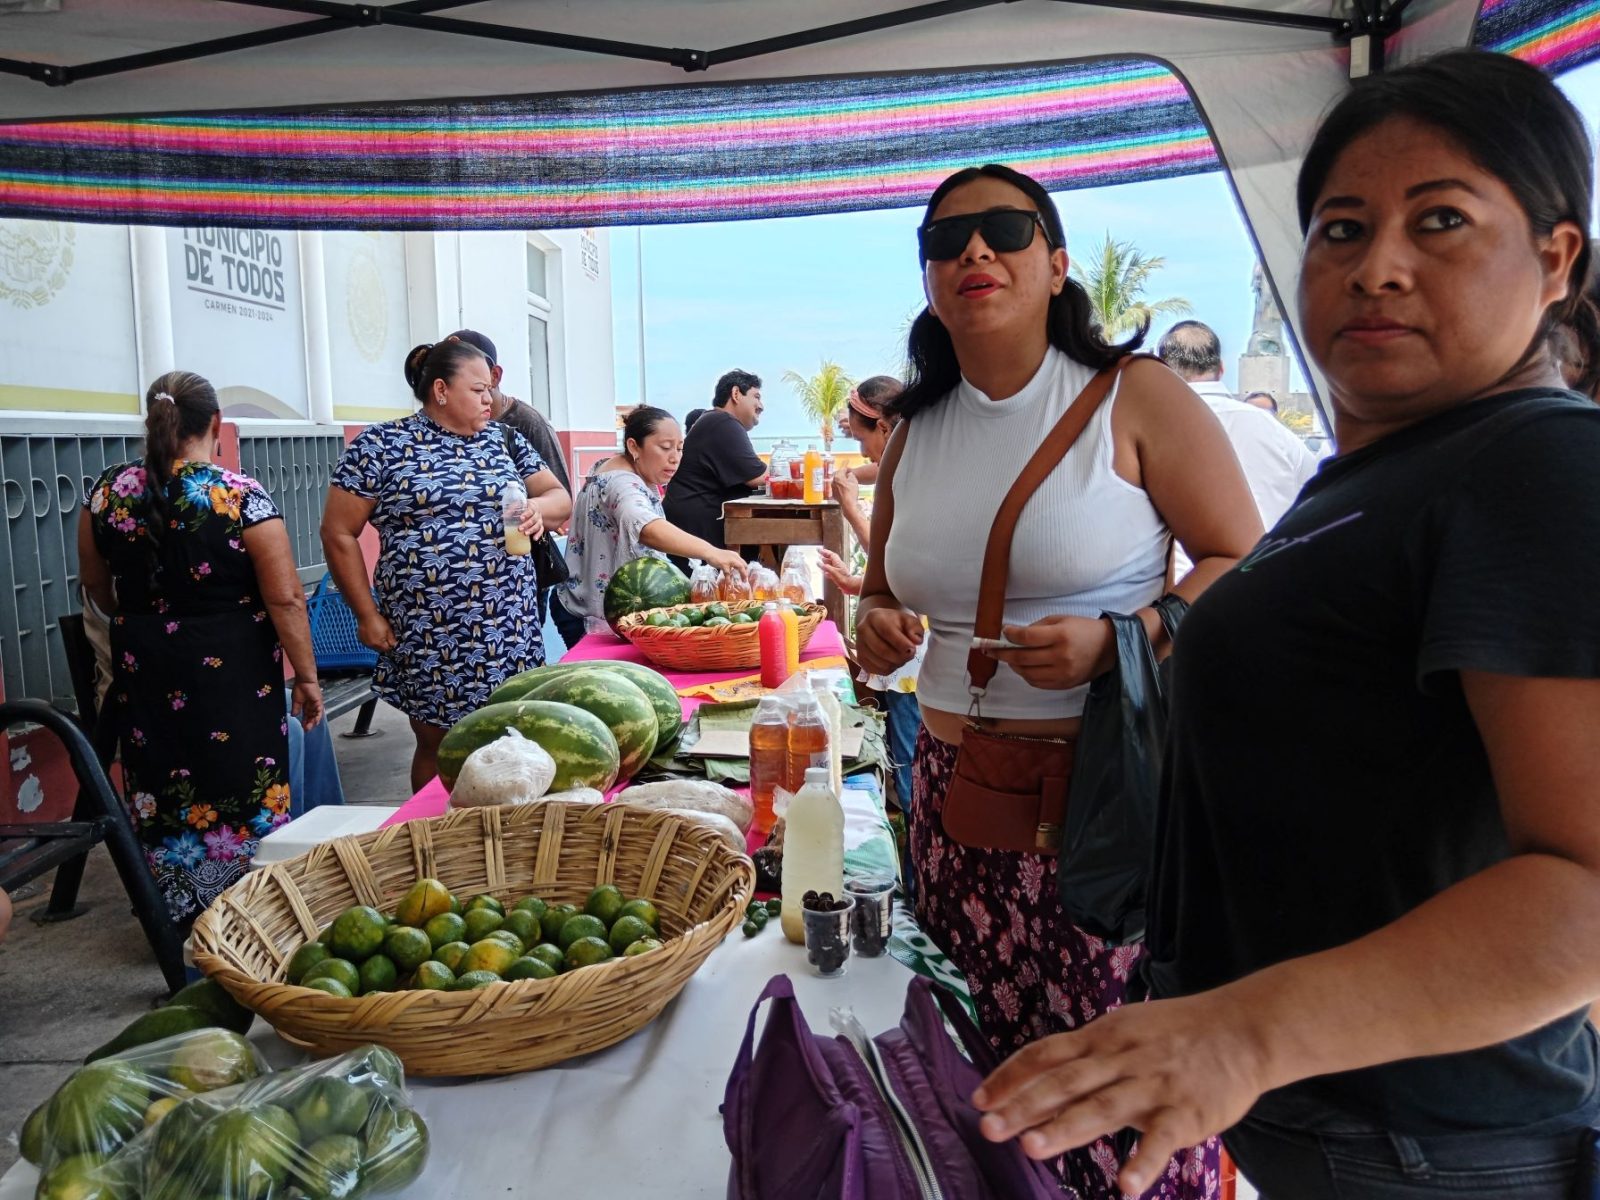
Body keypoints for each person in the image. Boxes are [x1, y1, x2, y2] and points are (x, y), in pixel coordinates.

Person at [972, 51, 1600, 1199]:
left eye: (1441, 221)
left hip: (1432, 1140)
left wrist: (1247, 1035)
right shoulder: (1368, 475)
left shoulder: (1541, 465)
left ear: (1554, 260)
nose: (1379, 270)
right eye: (1342, 229)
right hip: (1334, 1126)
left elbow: (1588, 887)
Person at [854, 163, 1261, 1198]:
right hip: (950, 804)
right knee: (980, 1079)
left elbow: (1237, 561)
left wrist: (1124, 637)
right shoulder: (912, 432)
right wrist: (879, 625)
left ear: (1057, 260)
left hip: (1098, 808)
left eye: (1003, 230)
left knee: (1106, 1094)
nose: (973, 254)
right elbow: (879, 592)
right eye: (946, 241)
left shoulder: (1134, 395)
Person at [78, 371, 323, 929]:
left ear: (153, 420)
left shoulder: (107, 493)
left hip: (145, 668)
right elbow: (285, 599)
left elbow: (95, 585)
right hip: (231, 671)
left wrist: (146, 617)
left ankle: (176, 916)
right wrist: (306, 677)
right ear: (215, 425)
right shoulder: (240, 498)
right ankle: (247, 919)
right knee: (241, 779)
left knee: (160, 784)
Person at [321, 339, 572, 791]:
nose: (488, 399)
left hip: (507, 624)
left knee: (511, 737)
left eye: (490, 390)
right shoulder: (381, 445)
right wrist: (365, 613)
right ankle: (433, 839)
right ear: (440, 390)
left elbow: (559, 498)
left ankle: (503, 831)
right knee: (440, 743)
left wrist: (537, 507)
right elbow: (338, 532)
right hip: (430, 630)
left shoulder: (505, 439)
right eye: (477, 389)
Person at [553, 405, 747, 646]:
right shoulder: (623, 484)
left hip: (577, 600)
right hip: (592, 613)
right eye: (665, 448)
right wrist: (712, 552)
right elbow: (645, 527)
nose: (675, 457)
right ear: (634, 446)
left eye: (679, 448)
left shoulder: (611, 467)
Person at [817, 376, 919, 817]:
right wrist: (858, 583)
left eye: (862, 437)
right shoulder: (913, 462)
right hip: (913, 636)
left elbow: (894, 559)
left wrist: (851, 509)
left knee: (913, 760)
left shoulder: (914, 476)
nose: (860, 451)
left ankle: (918, 859)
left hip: (915, 648)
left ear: (883, 428)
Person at [1157, 320, 1319, 540]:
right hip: (1271, 564)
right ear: (1221, 369)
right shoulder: (1271, 427)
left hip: (1191, 572)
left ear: (1163, 371)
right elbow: (1316, 487)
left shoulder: (1154, 431)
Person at [662, 369, 767, 571]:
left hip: (694, 531)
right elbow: (759, 477)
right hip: (697, 537)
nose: (761, 406)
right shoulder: (723, 423)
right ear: (736, 394)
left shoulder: (716, 422)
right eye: (756, 397)